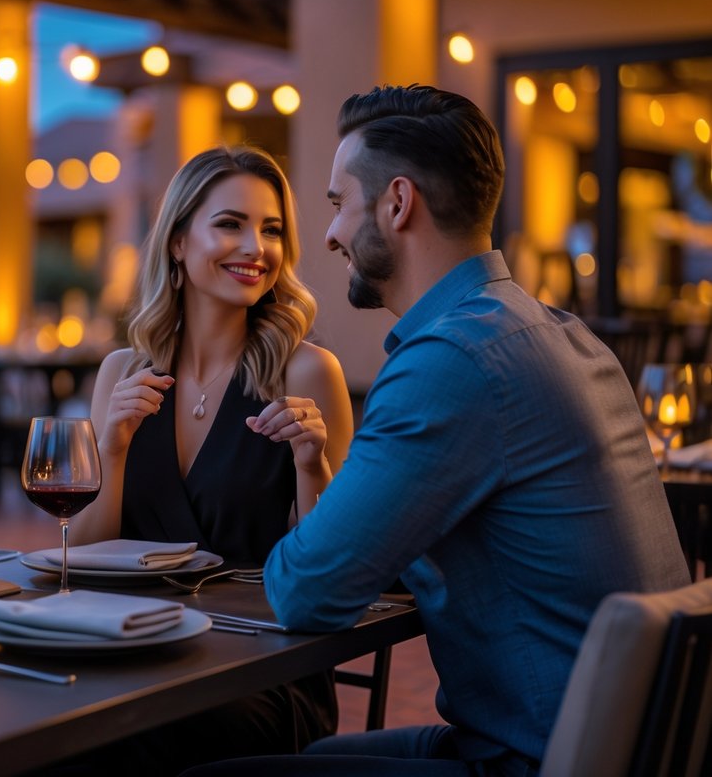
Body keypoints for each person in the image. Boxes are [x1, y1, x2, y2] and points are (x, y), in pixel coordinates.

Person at [183, 85, 690, 777]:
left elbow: (306, 590)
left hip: (540, 758)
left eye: (337, 205)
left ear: (396, 203)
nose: (327, 236)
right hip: (618, 744)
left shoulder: (452, 361)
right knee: (315, 756)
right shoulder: (558, 334)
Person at [64, 144, 353, 773]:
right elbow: (80, 562)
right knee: (34, 721)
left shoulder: (307, 372)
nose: (256, 246)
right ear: (176, 241)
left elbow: (334, 571)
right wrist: (110, 451)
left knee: (113, 739)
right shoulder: (121, 372)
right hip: (133, 651)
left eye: (271, 229)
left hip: (257, 671)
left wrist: (312, 468)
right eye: (230, 224)